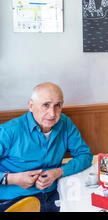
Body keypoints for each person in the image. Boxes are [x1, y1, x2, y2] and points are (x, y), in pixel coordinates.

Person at [0, 82, 93, 212]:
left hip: (53, 195)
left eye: (57, 105)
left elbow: (85, 155)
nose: (52, 113)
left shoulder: (65, 123)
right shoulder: (8, 131)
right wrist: (13, 179)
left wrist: (58, 172)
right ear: (31, 105)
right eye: (46, 105)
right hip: (13, 199)